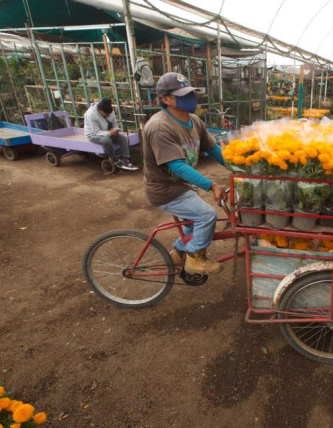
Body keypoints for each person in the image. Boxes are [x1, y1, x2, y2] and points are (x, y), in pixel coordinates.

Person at [142, 72, 227, 275]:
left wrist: (238, 169)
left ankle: (178, 253)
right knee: (206, 216)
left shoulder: (194, 120)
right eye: (182, 94)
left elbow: (213, 149)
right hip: (165, 189)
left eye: (190, 93)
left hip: (183, 186)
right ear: (165, 99)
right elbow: (177, 167)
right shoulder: (159, 126)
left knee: (192, 226)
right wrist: (212, 185)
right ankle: (195, 258)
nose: (189, 98)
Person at [84, 99, 138, 170]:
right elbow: (96, 132)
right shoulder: (91, 114)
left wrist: (116, 130)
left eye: (109, 114)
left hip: (107, 131)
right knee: (106, 140)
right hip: (93, 134)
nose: (108, 115)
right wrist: (109, 133)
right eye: (106, 114)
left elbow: (114, 124)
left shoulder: (110, 111)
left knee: (122, 138)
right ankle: (114, 159)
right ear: (100, 110)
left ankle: (126, 159)